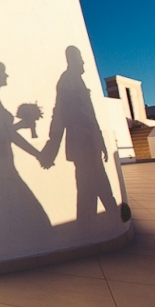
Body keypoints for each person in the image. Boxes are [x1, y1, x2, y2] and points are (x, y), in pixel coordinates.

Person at [0, 58, 52, 251]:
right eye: (1, 72)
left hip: (0, 163)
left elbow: (4, 133)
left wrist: (22, 125)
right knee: (28, 218)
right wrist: (38, 154)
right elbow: (7, 135)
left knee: (5, 216)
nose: (6, 75)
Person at [39, 46, 129, 222]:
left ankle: (98, 219)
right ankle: (108, 217)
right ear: (72, 59)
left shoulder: (77, 81)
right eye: (80, 58)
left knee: (92, 186)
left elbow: (92, 116)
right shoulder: (67, 81)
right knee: (94, 185)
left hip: (90, 142)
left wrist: (101, 143)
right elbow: (60, 113)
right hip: (81, 143)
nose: (83, 62)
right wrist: (52, 146)